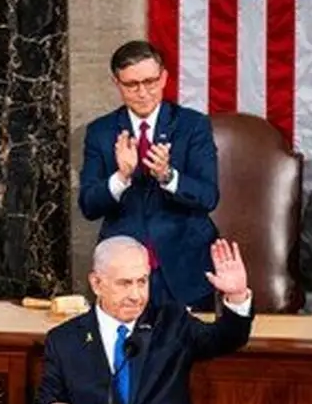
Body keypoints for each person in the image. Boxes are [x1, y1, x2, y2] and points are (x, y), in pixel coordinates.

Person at [32, 236, 251, 404]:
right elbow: (48, 401)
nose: (136, 295)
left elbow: (227, 338)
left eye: (142, 281)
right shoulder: (64, 340)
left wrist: (237, 296)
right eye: (125, 283)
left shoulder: (171, 322)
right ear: (97, 283)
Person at [79, 40, 219, 310]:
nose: (143, 93)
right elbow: (88, 205)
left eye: (150, 82)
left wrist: (168, 176)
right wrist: (121, 176)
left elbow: (209, 197)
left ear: (164, 77)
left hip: (184, 265)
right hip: (123, 272)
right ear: (117, 83)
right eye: (132, 85)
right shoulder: (101, 132)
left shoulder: (192, 126)